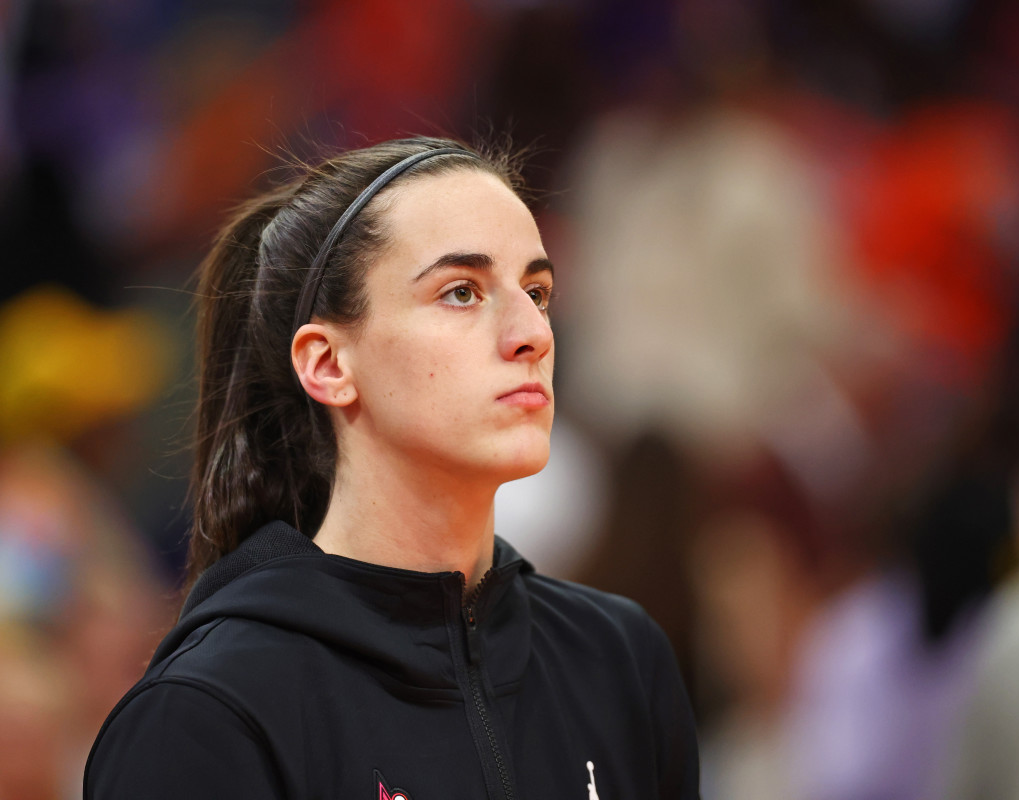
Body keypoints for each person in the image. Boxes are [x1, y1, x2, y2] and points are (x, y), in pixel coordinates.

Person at [83, 136, 700, 799]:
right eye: (462, 292)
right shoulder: (207, 714)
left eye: (537, 291)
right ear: (328, 364)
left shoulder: (620, 661)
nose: (534, 333)